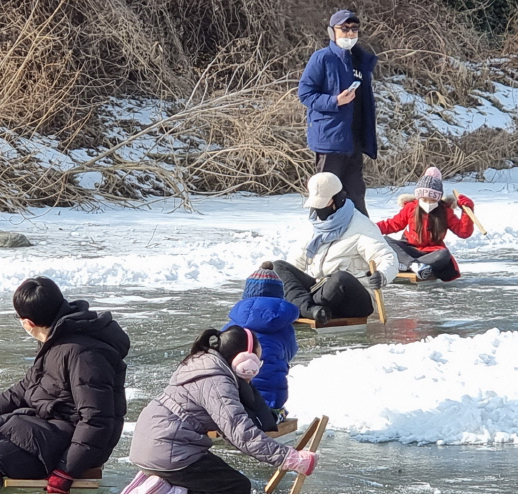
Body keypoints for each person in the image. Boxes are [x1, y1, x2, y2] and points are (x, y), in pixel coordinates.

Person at [0, 277, 130, 494]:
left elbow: (97, 420)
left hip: (75, 441)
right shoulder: (56, 339)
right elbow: (25, 388)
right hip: (48, 427)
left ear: (27, 322)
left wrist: (66, 471)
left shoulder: (82, 354)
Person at [127, 326, 318, 494]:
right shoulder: (217, 382)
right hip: (169, 451)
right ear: (245, 363)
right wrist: (290, 458)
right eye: (257, 363)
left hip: (155, 445)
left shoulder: (205, 366)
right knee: (236, 486)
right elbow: (240, 432)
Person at [273, 172, 398, 324]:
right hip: (319, 289)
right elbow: (296, 264)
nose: (318, 210)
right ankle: (311, 308)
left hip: (354, 298)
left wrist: (382, 275)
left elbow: (388, 258)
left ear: (338, 200)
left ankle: (301, 307)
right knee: (278, 266)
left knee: (340, 277)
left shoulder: (361, 226)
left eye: (322, 204)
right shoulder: (315, 226)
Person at [298, 9, 378, 216]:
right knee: (325, 193)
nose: (350, 34)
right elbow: (305, 94)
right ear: (332, 32)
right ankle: (322, 236)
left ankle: (360, 238)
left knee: (356, 192)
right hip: (330, 139)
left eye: (354, 29)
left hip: (355, 138)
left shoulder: (360, 60)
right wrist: (335, 101)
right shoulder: (322, 58)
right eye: (344, 29)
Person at [222, 262, 298, 420]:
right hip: (270, 400)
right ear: (278, 295)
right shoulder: (285, 327)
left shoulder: (232, 325)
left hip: (233, 401)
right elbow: (290, 352)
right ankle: (275, 414)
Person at [376, 167, 475, 281]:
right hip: (409, 249)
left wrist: (467, 211)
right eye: (424, 199)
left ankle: (408, 264)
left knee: (444, 255)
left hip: (431, 253)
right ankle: (413, 265)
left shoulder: (445, 211)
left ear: (438, 199)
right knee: (387, 241)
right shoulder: (411, 207)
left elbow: (463, 232)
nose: (428, 203)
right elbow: (392, 224)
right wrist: (371, 228)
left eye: (432, 200)